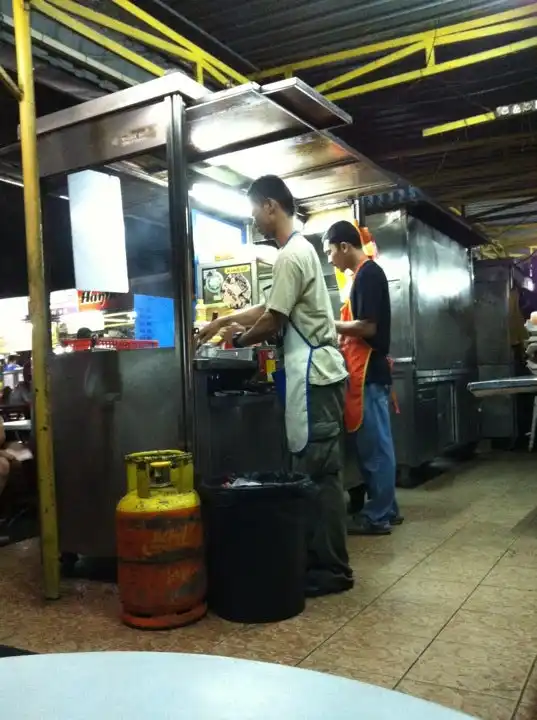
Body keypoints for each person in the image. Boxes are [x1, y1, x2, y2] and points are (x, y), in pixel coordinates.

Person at [198, 175, 353, 597]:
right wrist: (223, 320)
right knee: (324, 476)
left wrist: (237, 342)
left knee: (316, 477)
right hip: (320, 374)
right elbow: (268, 307)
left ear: (270, 206)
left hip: (314, 378)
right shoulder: (299, 252)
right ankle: (328, 563)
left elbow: (273, 319)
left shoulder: (290, 255)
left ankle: (329, 569)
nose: (254, 220)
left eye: (254, 211)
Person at [324, 220, 401, 535]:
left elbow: (368, 327)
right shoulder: (362, 277)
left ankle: (377, 515)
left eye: (330, 252)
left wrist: (329, 325)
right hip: (365, 373)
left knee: (376, 448)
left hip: (370, 372)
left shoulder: (369, 274)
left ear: (344, 246)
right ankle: (388, 508)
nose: (330, 260)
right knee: (377, 446)